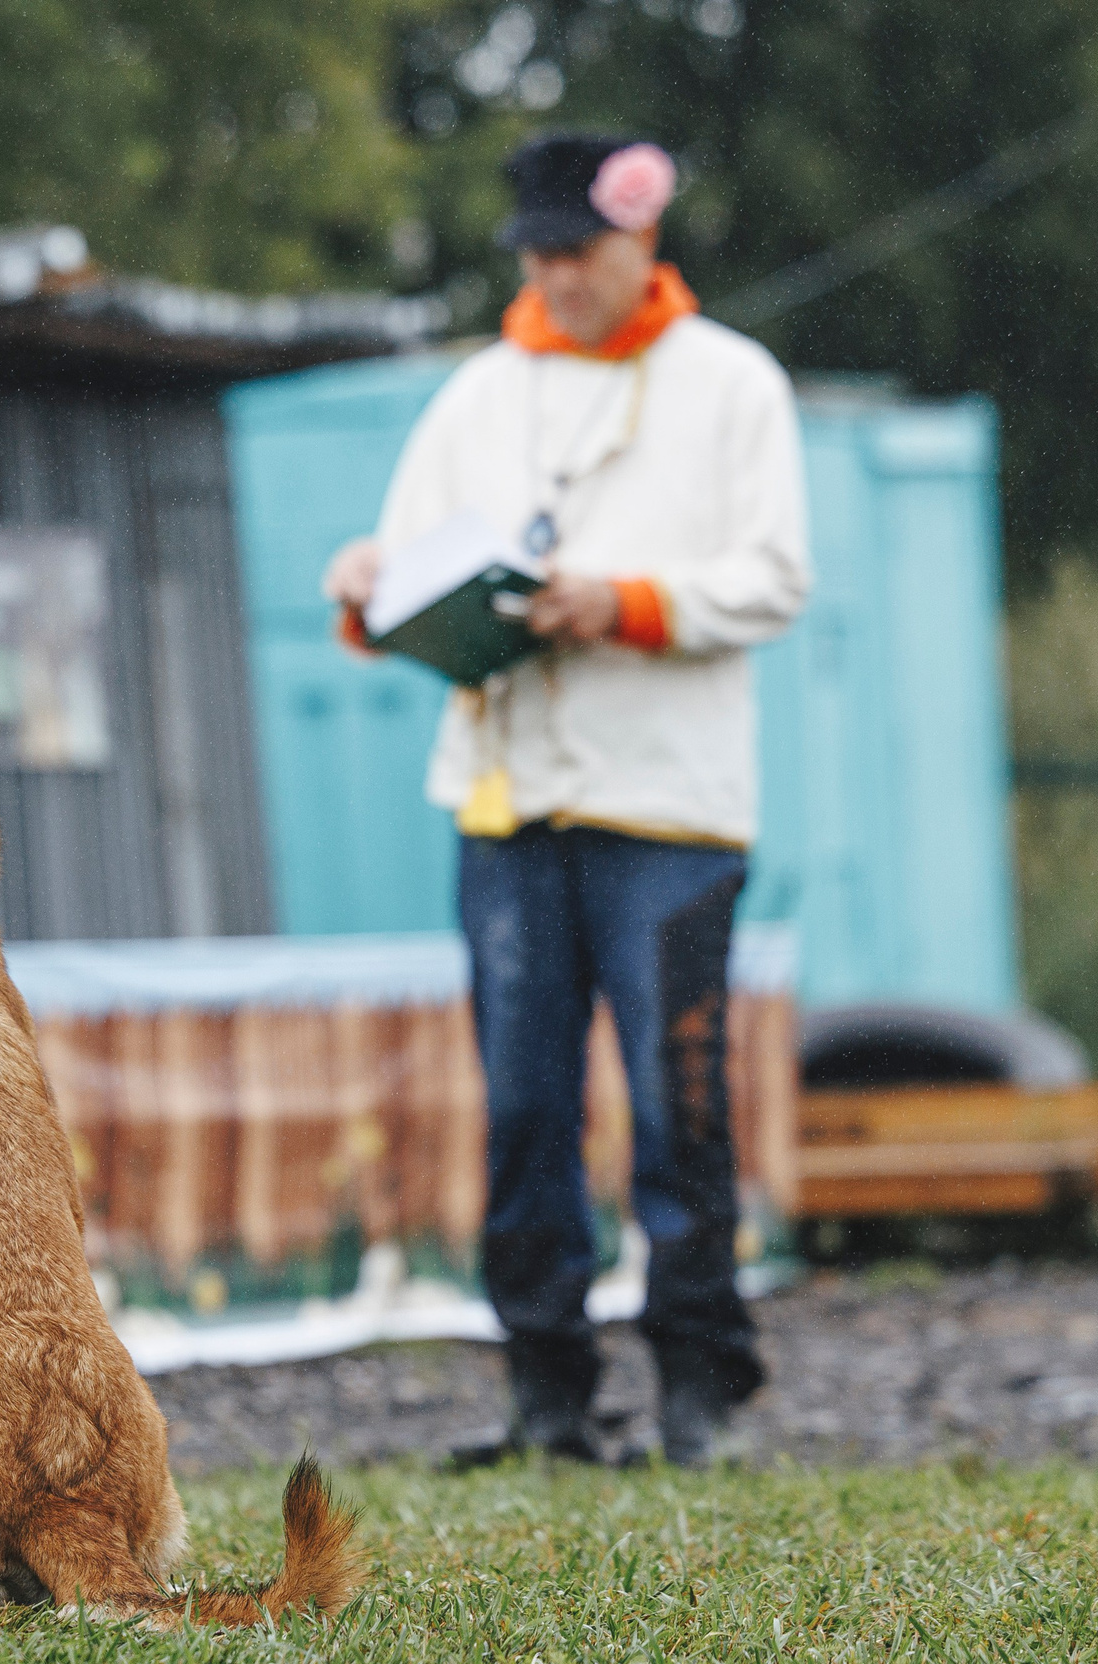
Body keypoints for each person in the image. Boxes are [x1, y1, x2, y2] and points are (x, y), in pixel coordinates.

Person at [322, 133, 809, 1467]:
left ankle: (700, 1386)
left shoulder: (731, 384)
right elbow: (406, 563)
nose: (555, 275)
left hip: (671, 806)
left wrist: (626, 602)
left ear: (638, 240)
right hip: (508, 796)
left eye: (574, 251)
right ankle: (546, 1391)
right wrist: (370, 585)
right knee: (526, 1102)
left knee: (677, 1098)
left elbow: (774, 575)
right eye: (536, 253)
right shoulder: (480, 391)